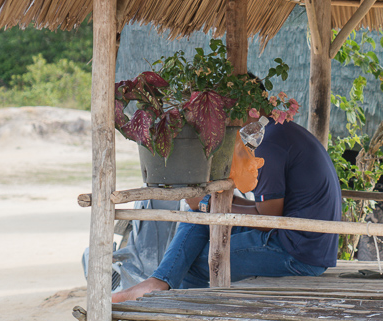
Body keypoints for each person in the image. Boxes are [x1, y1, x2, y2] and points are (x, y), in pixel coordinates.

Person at [112, 119, 342, 303]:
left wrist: (205, 204)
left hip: (299, 254)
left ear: (246, 109)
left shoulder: (268, 147)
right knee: (199, 217)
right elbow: (263, 210)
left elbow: (269, 219)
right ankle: (159, 280)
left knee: (190, 266)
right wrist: (206, 204)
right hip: (298, 239)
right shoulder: (278, 132)